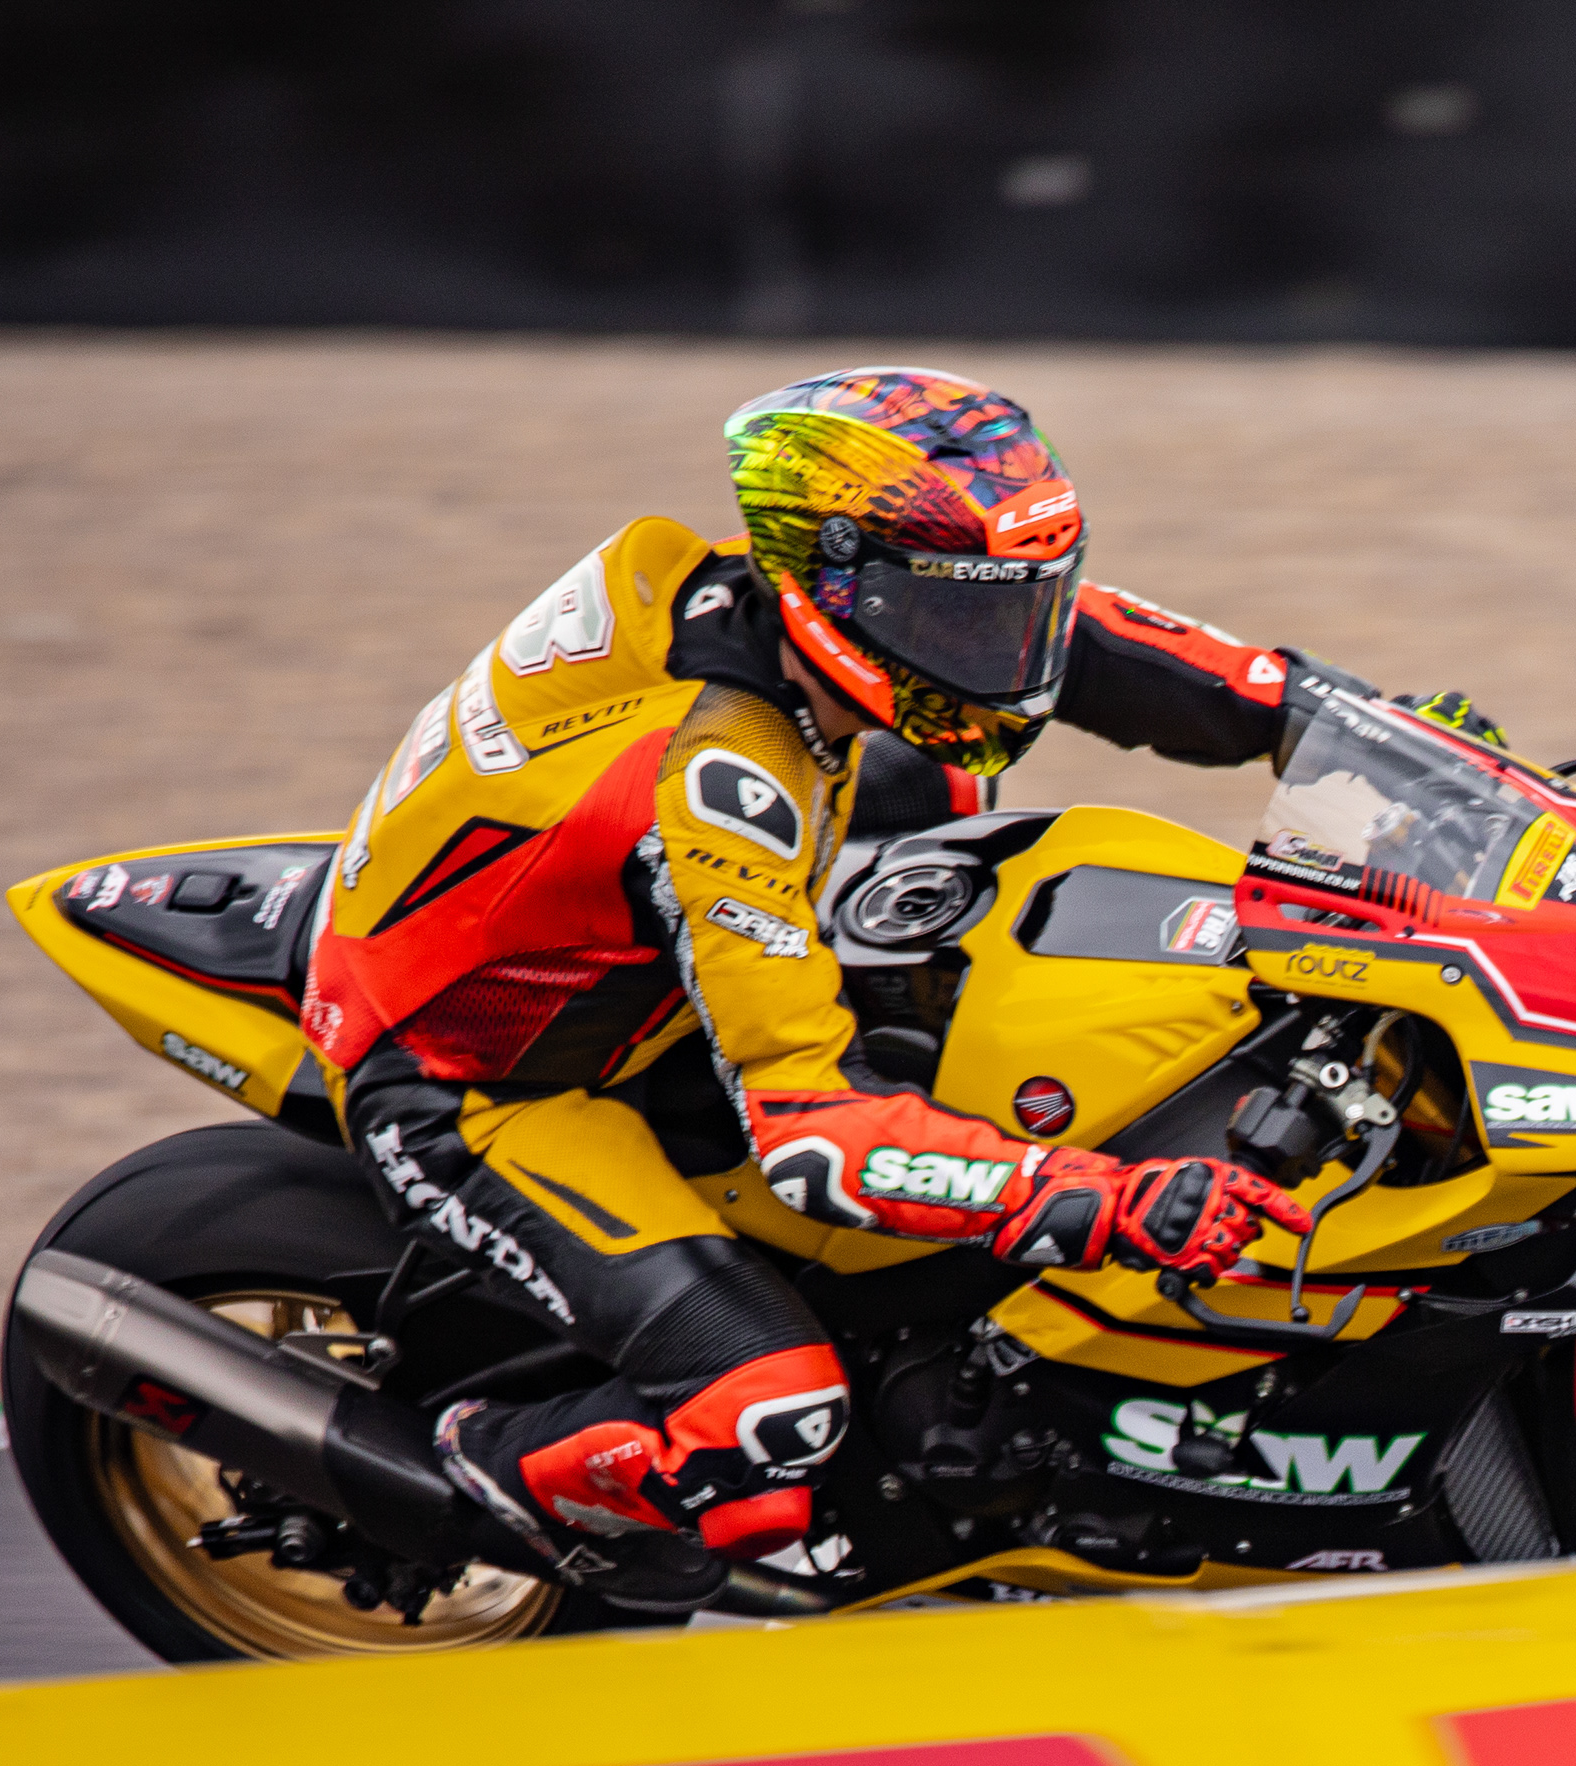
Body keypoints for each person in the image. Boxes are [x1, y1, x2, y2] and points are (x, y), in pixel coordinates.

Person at [302, 366, 1443, 1573]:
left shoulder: (834, 608)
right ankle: (458, 1478)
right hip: (477, 1080)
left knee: (950, 775)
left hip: (606, 926)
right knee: (768, 1416)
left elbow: (1119, 650)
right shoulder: (721, 780)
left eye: (1014, 603)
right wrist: (1107, 1200)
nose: (1007, 651)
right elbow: (813, 1138)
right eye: (962, 616)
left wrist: (1374, 735)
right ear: (829, 582)